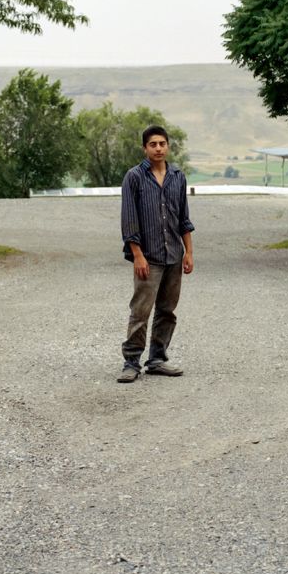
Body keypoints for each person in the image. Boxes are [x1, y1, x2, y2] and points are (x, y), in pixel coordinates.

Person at [117, 124, 194, 383]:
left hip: (174, 254)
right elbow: (129, 219)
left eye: (162, 143)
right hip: (148, 257)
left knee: (167, 311)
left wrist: (188, 253)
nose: (158, 148)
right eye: (153, 144)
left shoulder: (177, 176)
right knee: (140, 311)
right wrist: (137, 254)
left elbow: (184, 218)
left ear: (168, 146)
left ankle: (158, 359)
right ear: (145, 148)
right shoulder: (134, 177)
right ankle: (131, 362)